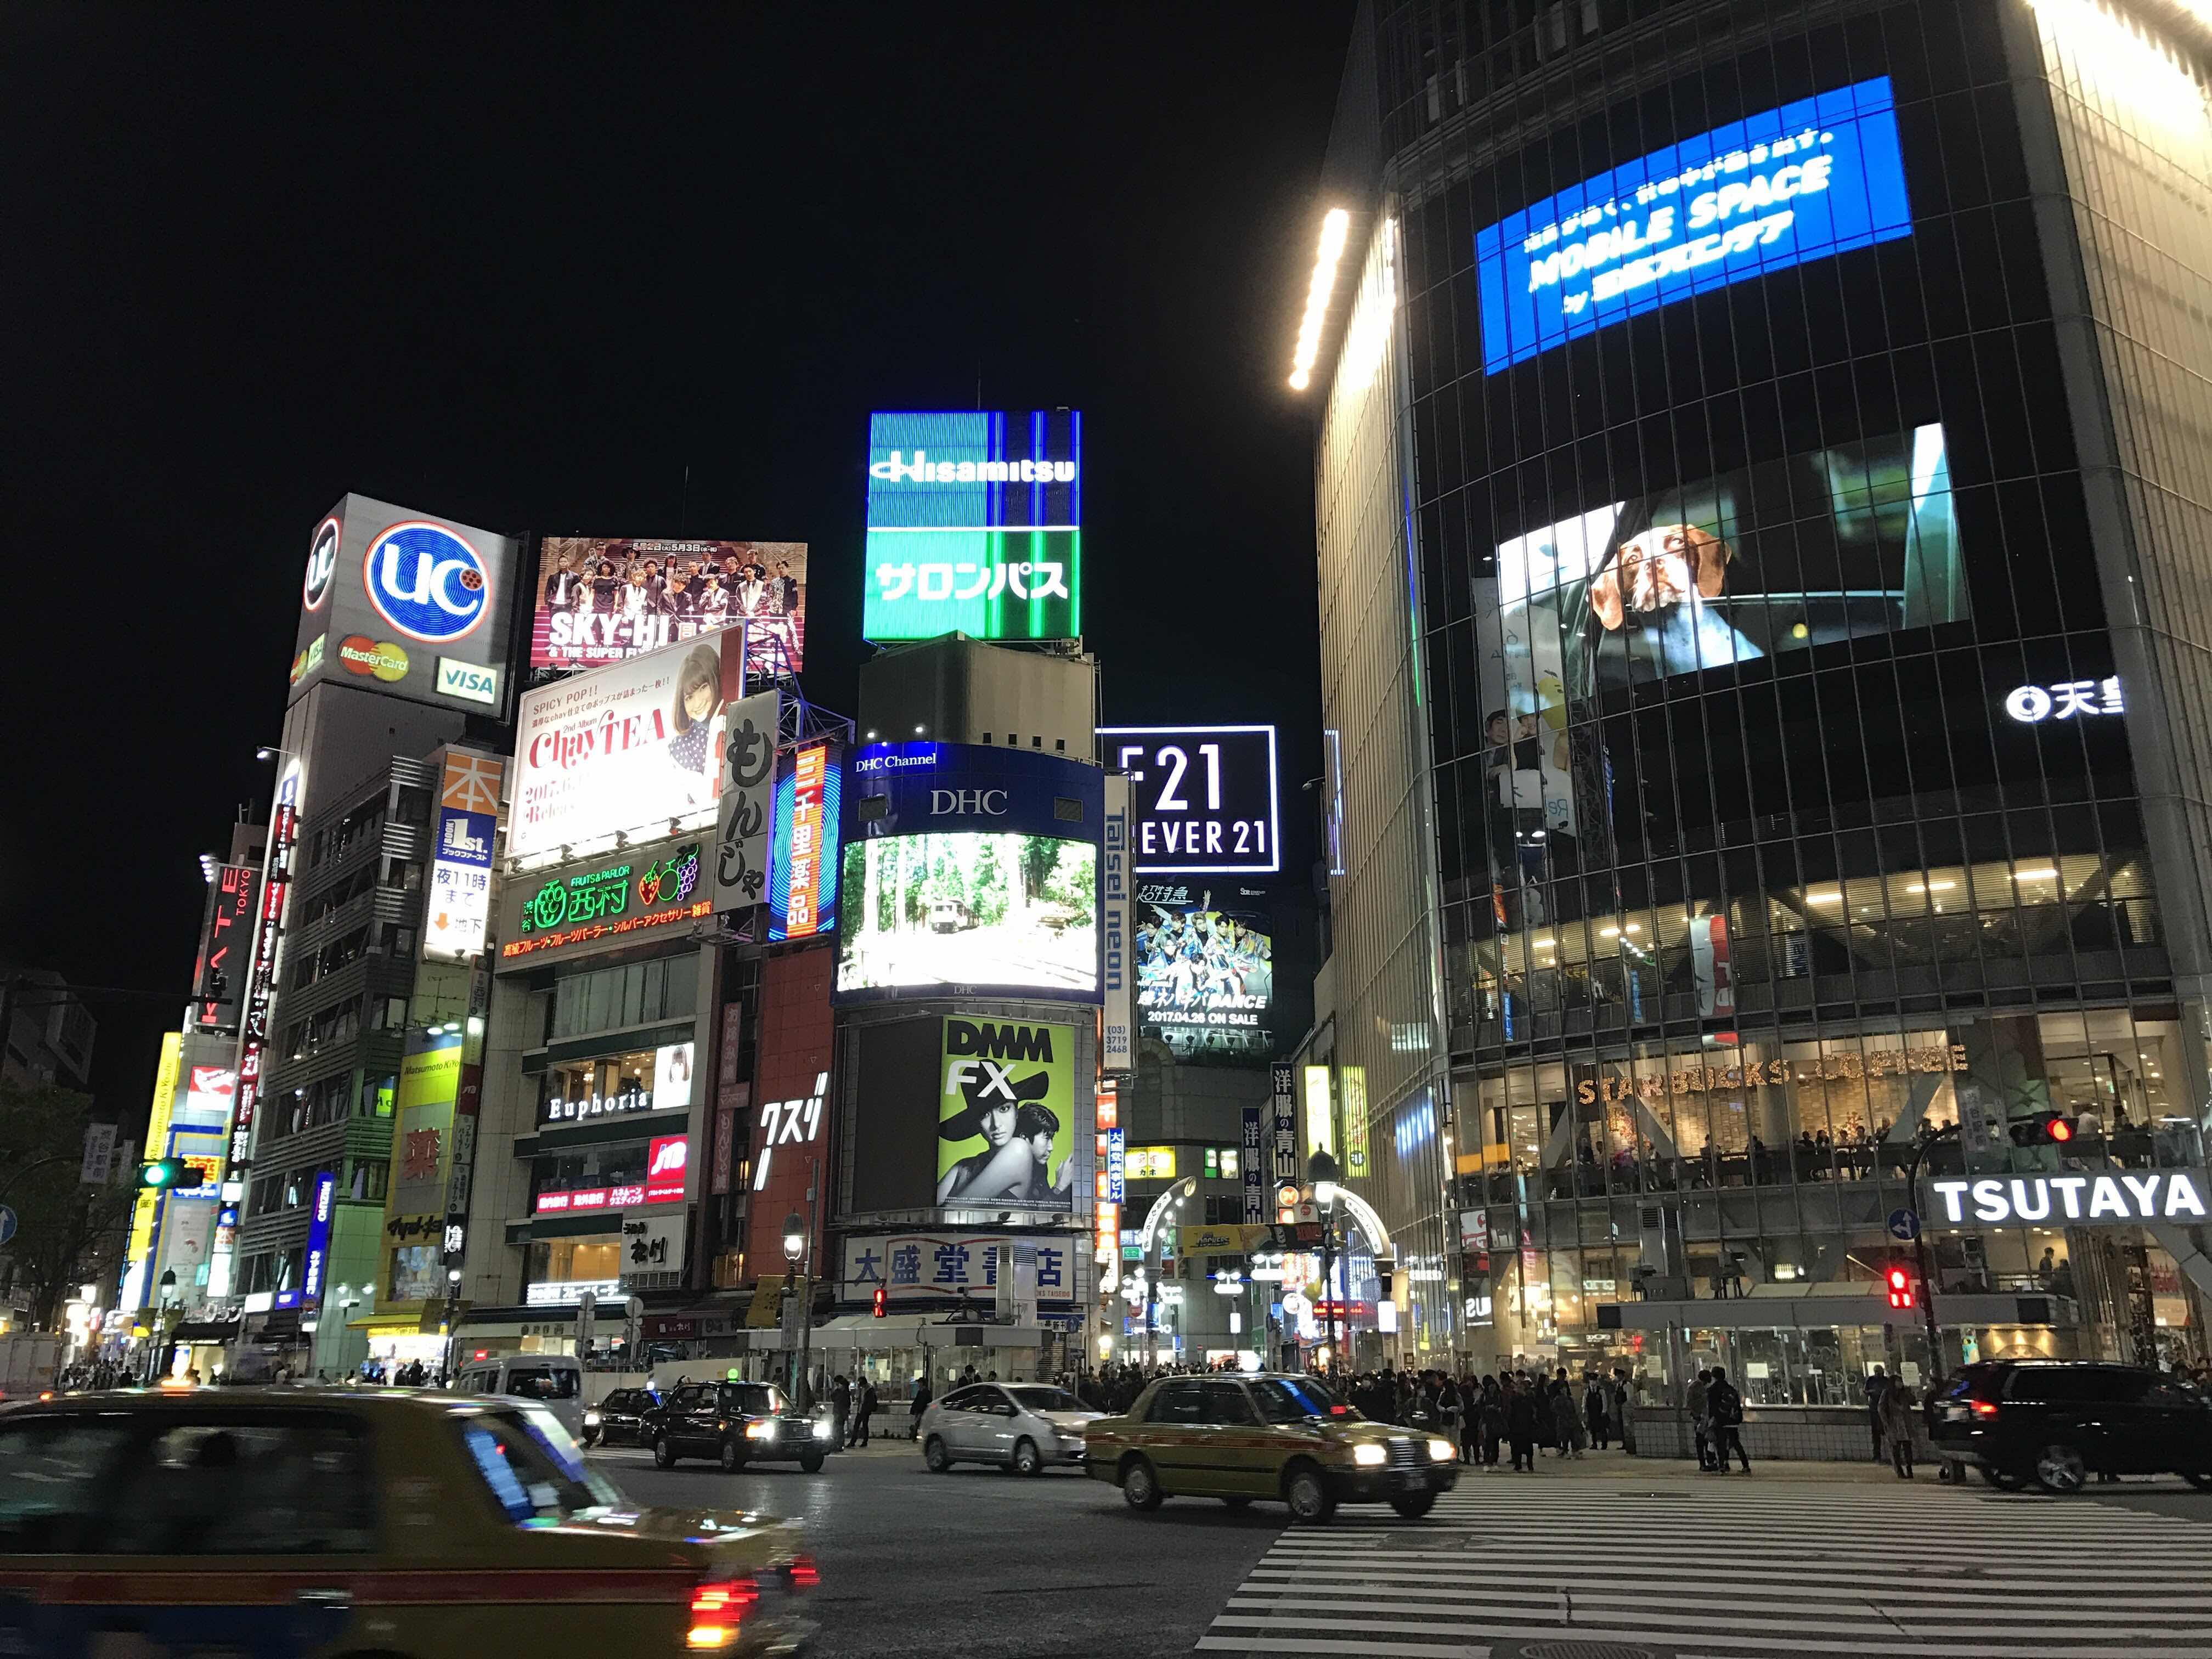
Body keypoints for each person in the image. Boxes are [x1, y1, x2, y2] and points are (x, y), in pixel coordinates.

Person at [1707, 1364, 1750, 1474]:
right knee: (1736, 1443)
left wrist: (1711, 1420)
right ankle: (1746, 1465)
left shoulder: (1713, 1390)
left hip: (1720, 1420)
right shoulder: (1731, 1389)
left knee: (1721, 1443)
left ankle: (1722, 1466)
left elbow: (1712, 1407)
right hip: (1732, 1420)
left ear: (1714, 1376)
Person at [1883, 1378, 1918, 1479]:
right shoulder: (1887, 1394)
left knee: (1908, 1448)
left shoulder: (1904, 1393)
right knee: (1896, 1449)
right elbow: (1882, 1408)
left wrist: (1910, 1392)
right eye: (1898, 1382)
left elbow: (1913, 1401)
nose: (1900, 1384)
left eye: (1901, 1382)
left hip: (1905, 1424)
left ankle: (1909, 1469)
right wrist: (1886, 1422)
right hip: (1894, 1424)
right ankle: (1899, 1470)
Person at [1505, 1375, 1541, 1472]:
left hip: (1525, 1425)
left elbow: (1531, 1409)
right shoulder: (1515, 1399)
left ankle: (1528, 1465)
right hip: (1518, 1426)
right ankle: (1519, 1465)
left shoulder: (1527, 1398)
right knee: (1518, 1446)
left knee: (1527, 1447)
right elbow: (1511, 1412)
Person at [1686, 1368, 1713, 1470]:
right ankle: (1707, 1462)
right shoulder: (1698, 1388)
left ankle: (1705, 1462)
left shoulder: (1695, 1387)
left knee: (1702, 1440)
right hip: (1700, 1417)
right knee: (1703, 1440)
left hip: (1699, 1416)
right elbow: (1693, 1403)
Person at [1865, 1364, 1891, 1462]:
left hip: (1885, 1408)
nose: (1878, 1374)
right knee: (1876, 1433)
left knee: (1887, 1431)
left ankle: (1890, 1454)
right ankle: (1877, 1454)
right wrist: (1872, 1392)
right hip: (1875, 1409)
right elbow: (1865, 1390)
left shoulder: (1886, 1381)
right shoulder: (1871, 1380)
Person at [850, 1375, 878, 1448]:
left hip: (865, 1410)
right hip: (861, 1410)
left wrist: (867, 1409)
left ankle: (864, 1441)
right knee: (857, 1426)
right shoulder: (863, 1389)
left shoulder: (869, 1390)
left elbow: (869, 1401)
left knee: (864, 1426)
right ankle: (853, 1441)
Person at [1584, 1373, 1610, 1451]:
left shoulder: (1601, 1390)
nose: (1593, 1382)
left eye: (1594, 1380)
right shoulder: (1587, 1391)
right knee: (1592, 1429)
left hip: (1600, 1412)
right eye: (1591, 1380)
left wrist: (1604, 1411)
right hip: (1591, 1412)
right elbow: (1584, 1401)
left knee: (1602, 1428)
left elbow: (1604, 1401)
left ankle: (1604, 1444)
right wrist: (1584, 1410)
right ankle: (1594, 1444)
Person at [830, 1373, 851, 1447]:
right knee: (838, 1428)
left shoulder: (843, 1393)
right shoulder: (844, 1392)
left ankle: (838, 1443)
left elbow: (834, 1398)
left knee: (838, 1428)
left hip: (840, 1413)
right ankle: (838, 1443)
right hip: (840, 1412)